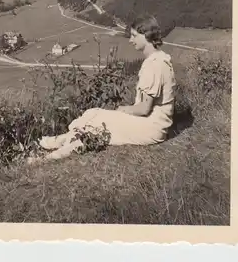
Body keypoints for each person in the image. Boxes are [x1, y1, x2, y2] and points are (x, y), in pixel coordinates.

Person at [27, 15, 176, 163]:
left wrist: (122, 110)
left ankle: (49, 157)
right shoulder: (160, 59)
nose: (131, 40)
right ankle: (62, 140)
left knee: (97, 127)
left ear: (146, 36)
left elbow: (144, 109)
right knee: (93, 113)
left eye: (134, 36)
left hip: (151, 128)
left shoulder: (154, 65)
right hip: (153, 123)